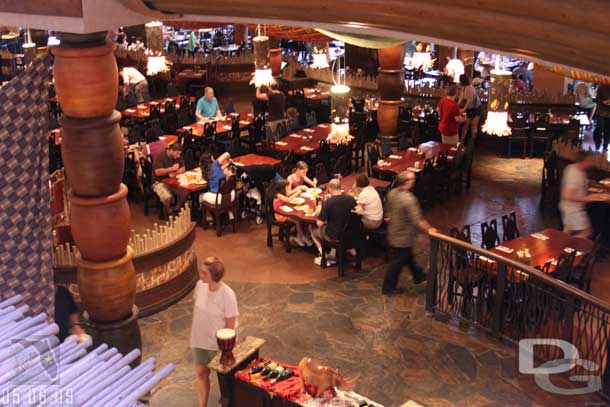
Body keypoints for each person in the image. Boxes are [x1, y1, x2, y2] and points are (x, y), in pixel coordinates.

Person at [190, 257, 238, 407]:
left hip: (217, 345)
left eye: (204, 273)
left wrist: (225, 349)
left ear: (214, 275)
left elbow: (230, 324)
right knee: (201, 374)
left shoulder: (227, 295)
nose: (201, 275)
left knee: (224, 380)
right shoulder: (200, 286)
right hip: (200, 341)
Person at [383, 171, 437, 295]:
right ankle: (388, 288)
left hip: (393, 231)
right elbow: (418, 220)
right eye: (412, 179)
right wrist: (429, 229)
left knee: (407, 256)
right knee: (397, 263)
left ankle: (418, 275)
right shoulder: (409, 199)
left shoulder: (392, 193)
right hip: (404, 236)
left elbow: (388, 212)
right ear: (406, 182)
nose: (414, 181)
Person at [559, 152, 610, 239]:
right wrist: (588, 198)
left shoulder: (573, 168)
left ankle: (561, 248)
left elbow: (582, 186)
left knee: (567, 232)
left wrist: (597, 192)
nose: (593, 163)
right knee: (586, 232)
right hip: (573, 209)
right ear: (586, 160)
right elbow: (568, 195)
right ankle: (569, 247)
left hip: (567, 207)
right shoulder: (575, 174)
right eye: (591, 160)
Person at [312, 179, 356, 265]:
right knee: (336, 225)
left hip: (335, 235)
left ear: (329, 188)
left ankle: (323, 255)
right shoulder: (351, 199)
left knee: (313, 231)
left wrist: (319, 210)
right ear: (340, 187)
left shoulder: (329, 202)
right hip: (351, 233)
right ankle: (333, 253)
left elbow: (319, 223)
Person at [273, 179, 313, 247]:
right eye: (287, 187)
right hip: (280, 214)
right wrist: (297, 193)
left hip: (285, 210)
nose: (288, 188)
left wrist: (298, 189)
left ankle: (301, 234)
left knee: (300, 217)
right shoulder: (278, 195)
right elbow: (288, 200)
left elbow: (289, 194)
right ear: (282, 187)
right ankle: (301, 237)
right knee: (297, 220)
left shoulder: (283, 193)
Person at [152, 143, 189, 215]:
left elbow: (183, 168)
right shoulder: (160, 156)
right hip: (159, 182)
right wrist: (171, 169)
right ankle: (169, 210)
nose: (178, 156)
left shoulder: (178, 157)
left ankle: (177, 208)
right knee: (167, 197)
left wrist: (175, 174)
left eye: (180, 154)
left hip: (173, 181)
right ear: (171, 150)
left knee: (186, 191)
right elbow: (157, 172)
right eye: (177, 153)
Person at [199, 152, 236, 218]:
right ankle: (229, 212)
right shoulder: (215, 164)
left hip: (218, 198)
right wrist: (229, 160)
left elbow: (217, 170)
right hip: (231, 196)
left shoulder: (206, 171)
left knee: (200, 197)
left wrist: (228, 163)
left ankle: (209, 216)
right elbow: (227, 154)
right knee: (224, 192)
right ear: (211, 159)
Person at [457, 74, 482, 143]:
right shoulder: (464, 87)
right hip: (470, 108)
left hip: (475, 108)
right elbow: (461, 96)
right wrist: (457, 105)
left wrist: (463, 109)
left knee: (473, 126)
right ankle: (461, 142)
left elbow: (469, 100)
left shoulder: (469, 88)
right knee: (466, 125)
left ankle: (471, 143)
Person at [594, 84, 610, 151]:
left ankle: (604, 147)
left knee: (607, 131)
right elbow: (597, 99)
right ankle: (598, 146)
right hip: (602, 112)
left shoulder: (602, 87)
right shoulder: (602, 87)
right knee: (599, 130)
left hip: (604, 113)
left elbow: (597, 99)